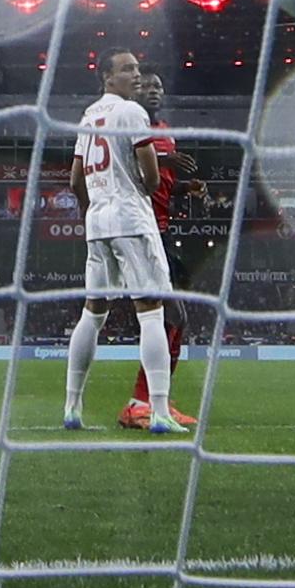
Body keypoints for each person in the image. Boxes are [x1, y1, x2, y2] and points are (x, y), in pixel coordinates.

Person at [65, 49, 189, 435]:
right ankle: (157, 411)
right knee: (151, 312)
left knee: (93, 313)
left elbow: (74, 181)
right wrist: (139, 189)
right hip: (131, 217)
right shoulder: (131, 112)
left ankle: (72, 408)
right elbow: (151, 178)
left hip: (98, 220)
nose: (136, 75)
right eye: (128, 69)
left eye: (137, 68)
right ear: (107, 76)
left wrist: (94, 208)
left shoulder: (89, 116)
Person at [118, 69, 204, 430]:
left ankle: (154, 401)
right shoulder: (127, 130)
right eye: (147, 86)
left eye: (159, 86)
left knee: (174, 317)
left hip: (161, 231)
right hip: (137, 230)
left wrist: (186, 188)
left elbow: (162, 185)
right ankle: (142, 402)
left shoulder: (165, 131)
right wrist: (161, 161)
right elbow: (121, 172)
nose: (154, 91)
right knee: (168, 316)